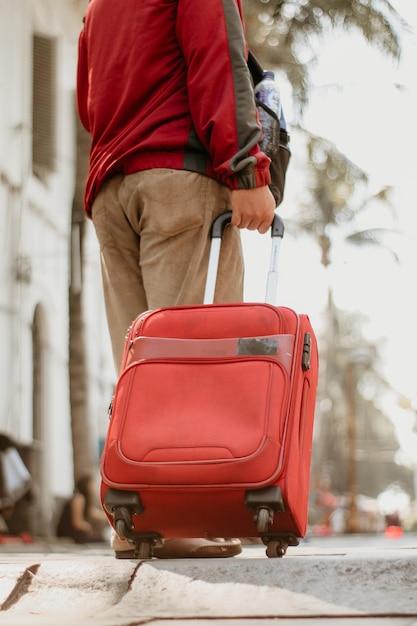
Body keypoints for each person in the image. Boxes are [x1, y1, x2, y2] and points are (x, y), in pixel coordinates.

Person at [77, 0, 276, 558]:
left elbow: (87, 101)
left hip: (112, 190)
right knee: (193, 361)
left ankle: (135, 518)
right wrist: (247, 168)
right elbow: (217, 59)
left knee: (139, 365)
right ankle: (179, 517)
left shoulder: (97, 7)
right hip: (176, 176)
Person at [56, 475, 106, 544]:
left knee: (100, 538)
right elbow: (77, 523)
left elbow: (93, 513)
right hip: (68, 533)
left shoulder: (83, 500)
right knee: (101, 539)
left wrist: (111, 517)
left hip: (74, 533)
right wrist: (88, 527)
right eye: (91, 485)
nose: (93, 488)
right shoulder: (79, 498)